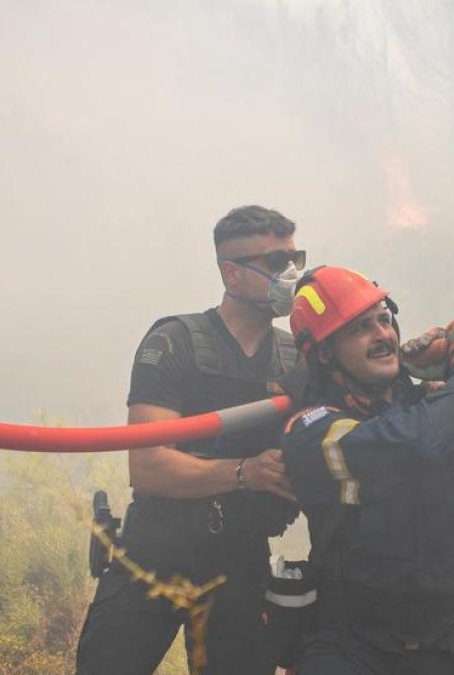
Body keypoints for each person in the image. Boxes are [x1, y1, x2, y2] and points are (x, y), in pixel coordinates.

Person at [281, 266, 454, 675]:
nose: (382, 335)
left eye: (384, 320)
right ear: (325, 353)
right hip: (348, 650)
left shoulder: (426, 414)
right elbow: (417, 445)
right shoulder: (314, 430)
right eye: (360, 328)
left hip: (442, 648)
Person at [76, 205, 306, 675]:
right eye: (275, 262)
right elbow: (149, 467)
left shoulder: (299, 358)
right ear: (231, 274)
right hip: (154, 554)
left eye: (295, 257)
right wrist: (245, 473)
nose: (292, 274)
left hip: (241, 564)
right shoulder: (174, 342)